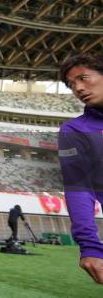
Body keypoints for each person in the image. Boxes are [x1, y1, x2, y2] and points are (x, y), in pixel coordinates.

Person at [58, 52, 103, 284]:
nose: (78, 88)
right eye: (72, 85)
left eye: (84, 78)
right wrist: (90, 246)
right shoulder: (74, 131)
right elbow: (78, 187)